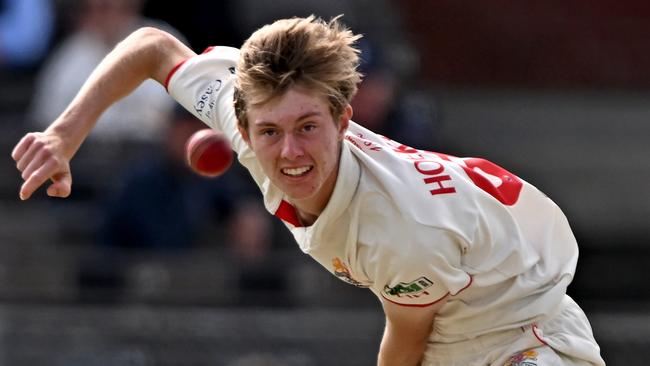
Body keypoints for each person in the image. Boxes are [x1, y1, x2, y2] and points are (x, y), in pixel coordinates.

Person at [11, 15, 605, 366]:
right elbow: (152, 49)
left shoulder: (399, 229)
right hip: (459, 305)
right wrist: (63, 136)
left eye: (308, 128)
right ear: (240, 127)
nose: (290, 153)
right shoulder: (244, 113)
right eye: (269, 132)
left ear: (344, 120)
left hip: (523, 335)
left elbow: (406, 342)